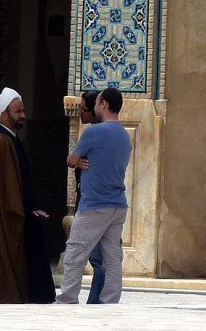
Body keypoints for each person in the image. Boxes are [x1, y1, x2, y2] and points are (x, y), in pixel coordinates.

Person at [0, 87, 56, 304]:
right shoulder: (2, 142)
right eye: (18, 112)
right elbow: (10, 187)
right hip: (4, 217)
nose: (23, 116)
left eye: (23, 111)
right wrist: (26, 211)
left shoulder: (9, 139)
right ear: (4, 114)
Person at [56, 88, 131, 304]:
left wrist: (76, 160)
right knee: (112, 258)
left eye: (98, 102)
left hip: (94, 205)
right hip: (118, 205)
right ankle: (110, 301)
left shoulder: (92, 133)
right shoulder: (125, 135)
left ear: (104, 104)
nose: (96, 106)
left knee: (75, 252)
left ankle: (68, 297)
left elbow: (72, 160)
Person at [73, 90, 105, 304]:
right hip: (90, 202)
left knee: (97, 258)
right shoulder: (94, 133)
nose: (80, 113)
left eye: (83, 109)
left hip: (95, 205)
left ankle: (96, 302)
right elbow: (73, 160)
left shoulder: (97, 135)